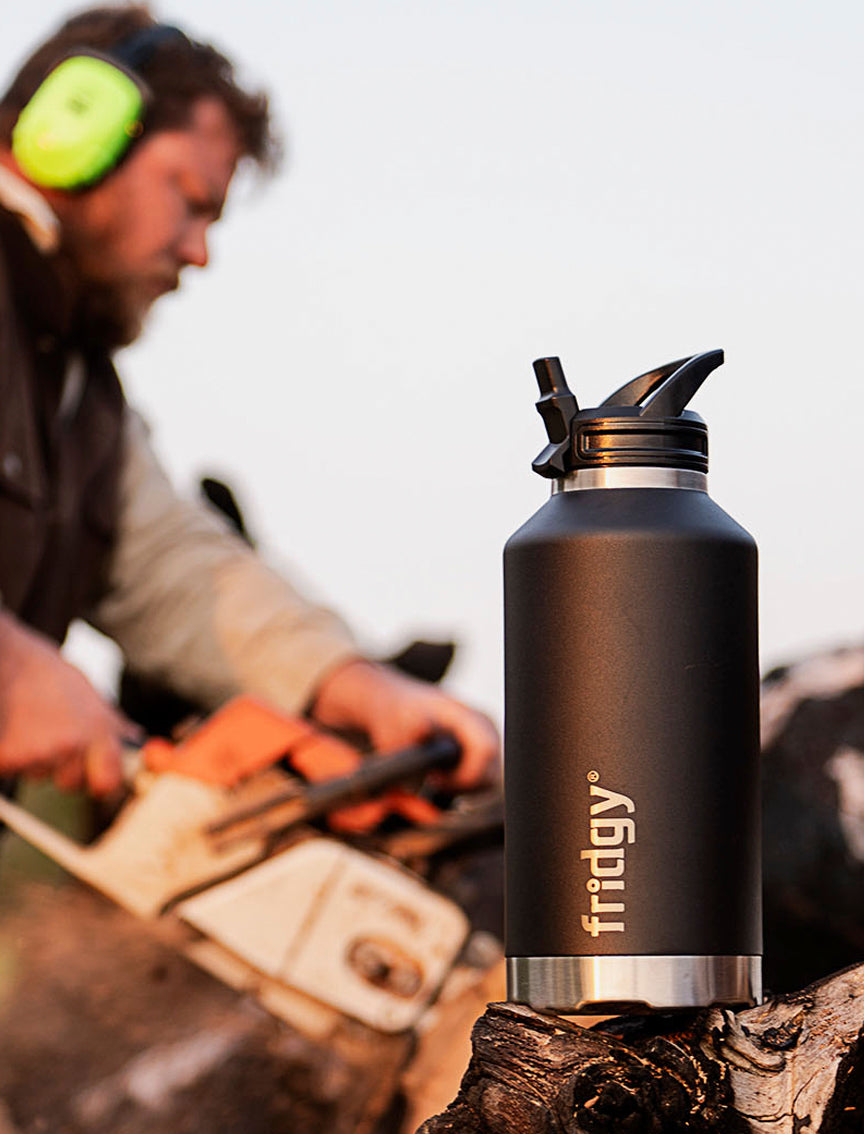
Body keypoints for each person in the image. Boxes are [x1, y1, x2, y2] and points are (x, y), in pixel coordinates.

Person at [0, 5, 499, 824]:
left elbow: (176, 570)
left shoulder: (82, 394)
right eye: (190, 201)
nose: (199, 252)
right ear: (74, 133)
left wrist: (356, 687)